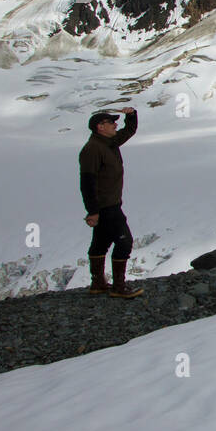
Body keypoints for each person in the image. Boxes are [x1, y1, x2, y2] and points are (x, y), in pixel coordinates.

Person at [80, 107, 143, 298]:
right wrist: (93, 211)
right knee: (124, 242)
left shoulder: (108, 143)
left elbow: (129, 131)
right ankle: (118, 287)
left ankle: (98, 283)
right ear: (100, 127)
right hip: (106, 206)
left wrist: (131, 115)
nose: (115, 124)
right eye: (111, 122)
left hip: (109, 203)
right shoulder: (93, 149)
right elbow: (87, 182)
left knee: (101, 242)